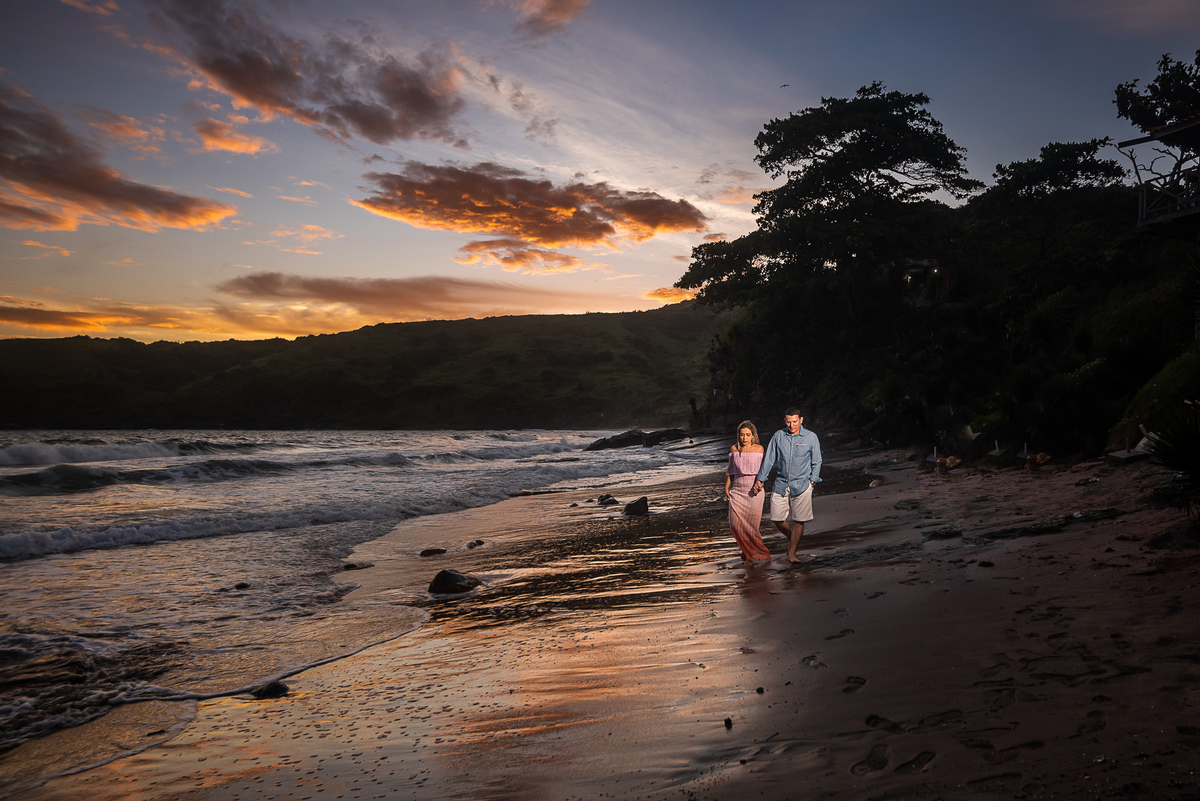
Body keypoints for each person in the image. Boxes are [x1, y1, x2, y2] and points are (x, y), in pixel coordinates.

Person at [753, 408, 822, 564]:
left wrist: (812, 481)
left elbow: (817, 461)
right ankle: (793, 538)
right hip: (781, 483)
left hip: (803, 484)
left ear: (801, 420)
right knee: (776, 518)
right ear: (785, 421)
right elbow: (769, 459)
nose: (792, 425)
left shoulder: (811, 437)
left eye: (795, 421)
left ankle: (792, 553)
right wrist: (760, 479)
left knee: (799, 520)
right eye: (789, 422)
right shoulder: (778, 436)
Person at [724, 420, 771, 563]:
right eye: (742, 435)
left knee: (752, 528)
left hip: (754, 491)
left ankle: (750, 555)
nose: (744, 438)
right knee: (734, 526)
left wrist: (760, 483)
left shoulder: (759, 449)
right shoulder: (734, 450)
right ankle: (748, 551)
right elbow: (730, 471)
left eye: (748, 435)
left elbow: (764, 470)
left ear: (753, 436)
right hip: (737, 491)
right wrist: (726, 486)